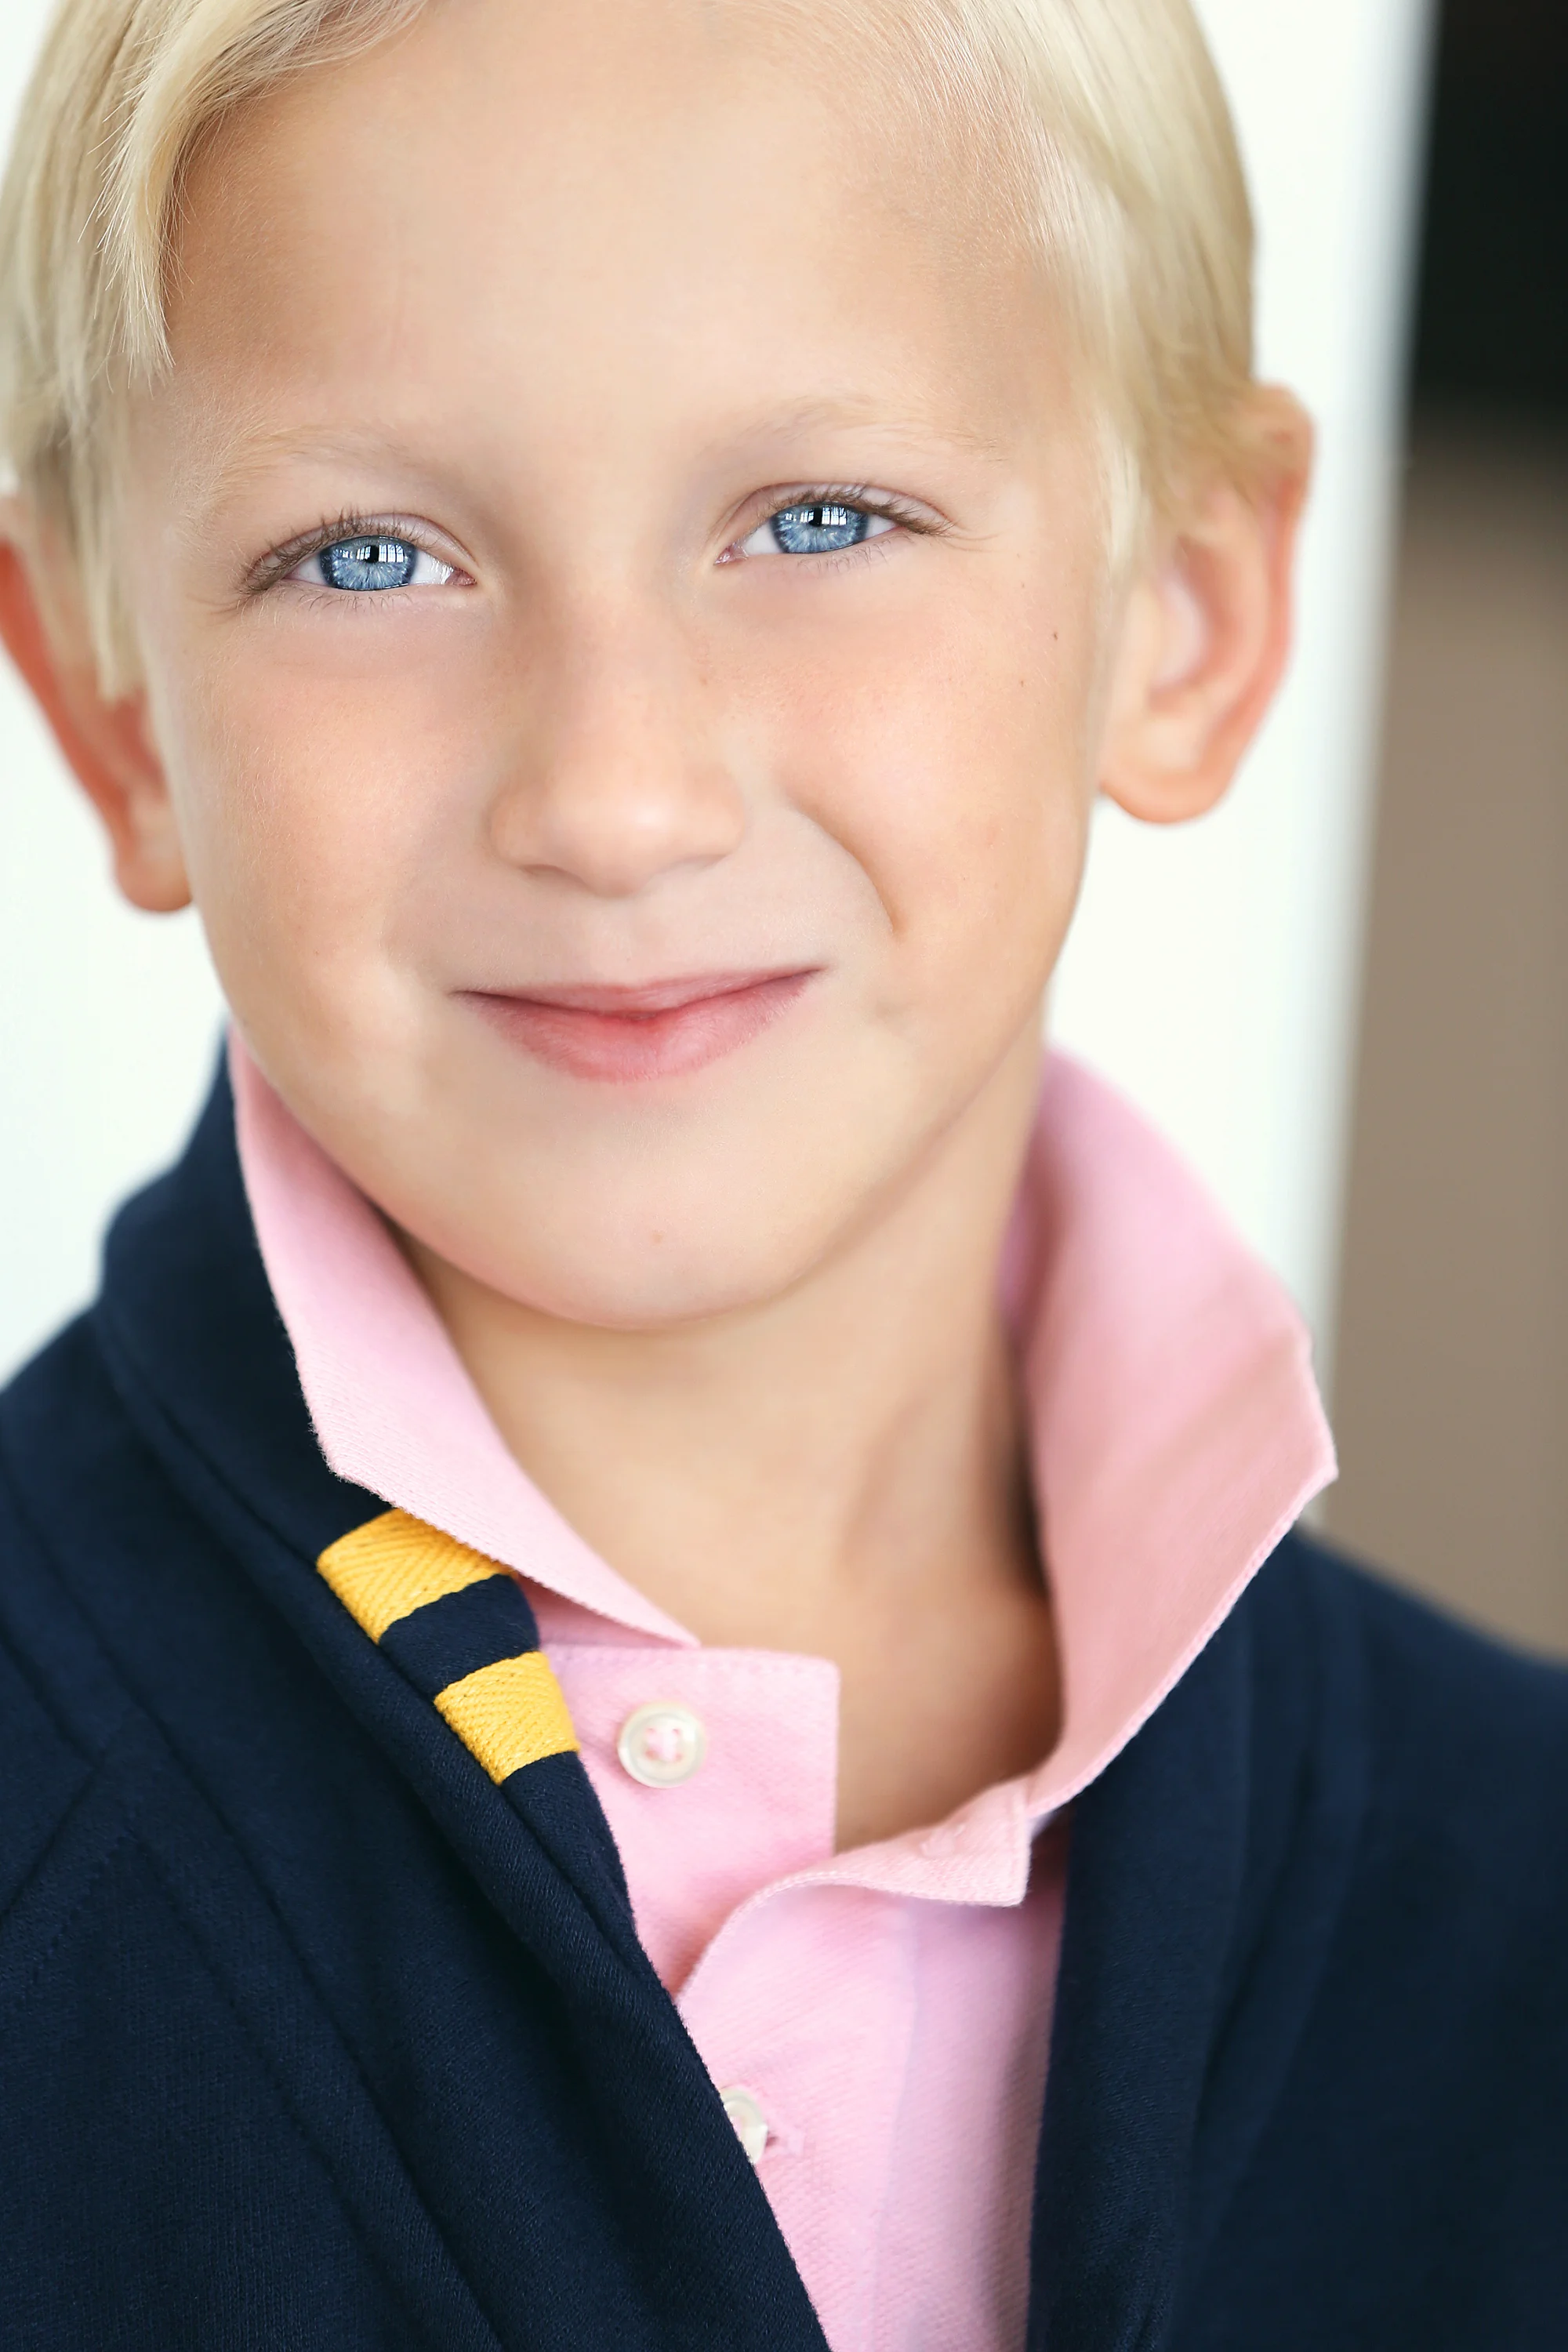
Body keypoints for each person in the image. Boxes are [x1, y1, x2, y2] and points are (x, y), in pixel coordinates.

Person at [0, 0, 1563, 2343]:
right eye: (369, 556)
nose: (616, 796)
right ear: (114, 708)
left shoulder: (1521, 1883)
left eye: (820, 519)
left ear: (1194, 610)